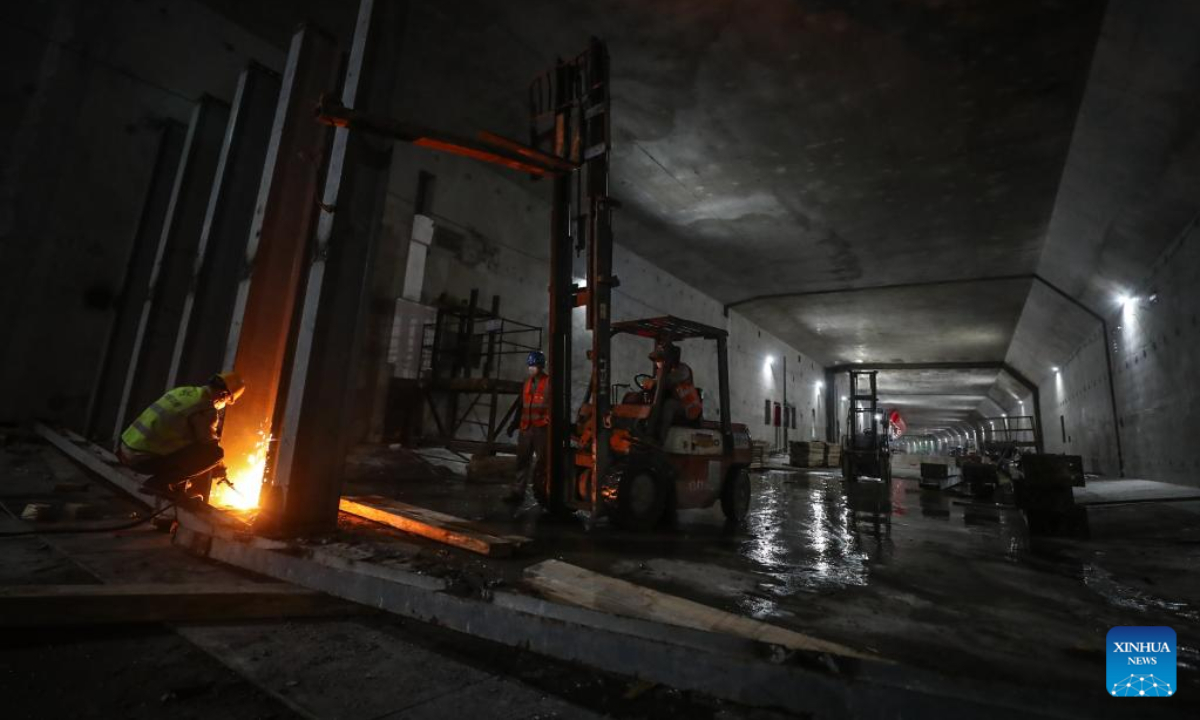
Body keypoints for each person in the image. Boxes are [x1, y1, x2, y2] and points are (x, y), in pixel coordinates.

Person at [116, 372, 245, 502]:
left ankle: (175, 487)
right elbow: (209, 444)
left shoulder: (183, 391)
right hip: (142, 460)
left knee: (192, 444)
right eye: (228, 401)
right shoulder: (206, 407)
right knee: (215, 454)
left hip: (124, 451)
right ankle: (159, 484)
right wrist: (220, 468)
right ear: (224, 395)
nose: (224, 405)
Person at [505, 351, 549, 503]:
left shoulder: (549, 382)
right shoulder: (527, 383)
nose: (531, 368)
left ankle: (545, 492)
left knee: (543, 462)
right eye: (530, 365)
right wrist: (513, 425)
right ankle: (517, 493)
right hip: (526, 428)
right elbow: (521, 406)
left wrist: (549, 422)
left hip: (541, 429)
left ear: (541, 366)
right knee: (522, 461)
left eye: (534, 365)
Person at [647, 342, 702, 441]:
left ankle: (660, 440)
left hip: (689, 407)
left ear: (668, 359)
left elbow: (665, 381)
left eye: (659, 360)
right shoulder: (664, 371)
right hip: (680, 404)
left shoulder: (682, 370)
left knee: (669, 405)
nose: (656, 363)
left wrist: (653, 381)